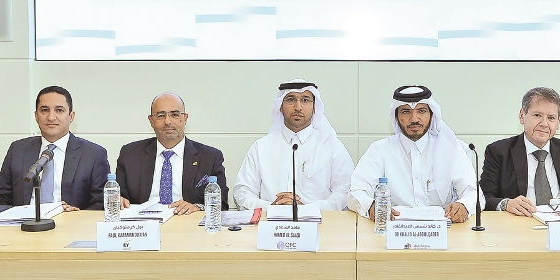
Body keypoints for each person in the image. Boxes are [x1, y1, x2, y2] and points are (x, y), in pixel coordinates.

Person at [348, 85, 477, 223]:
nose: (414, 118)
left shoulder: (451, 148)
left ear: (431, 115)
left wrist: (464, 205)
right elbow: (356, 192)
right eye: (406, 112)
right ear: (396, 117)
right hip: (394, 230)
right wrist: (372, 206)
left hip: (444, 231)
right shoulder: (380, 150)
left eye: (421, 111)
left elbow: (473, 192)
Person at [480, 87, 560, 216]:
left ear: (558, 122)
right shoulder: (499, 152)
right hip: (520, 222)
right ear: (522, 116)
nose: (544, 124)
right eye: (537, 115)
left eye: (551, 118)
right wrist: (506, 204)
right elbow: (483, 197)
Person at [233, 80, 353, 211]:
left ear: (314, 108)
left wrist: (304, 210)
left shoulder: (331, 146)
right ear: (280, 107)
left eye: (305, 100)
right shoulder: (261, 147)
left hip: (321, 222)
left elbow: (345, 192)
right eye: (291, 99)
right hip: (269, 221)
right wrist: (273, 208)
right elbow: (242, 192)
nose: (298, 107)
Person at [0, 85, 110, 210]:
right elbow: (1, 198)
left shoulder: (93, 154)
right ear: (36, 116)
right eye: (44, 110)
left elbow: (101, 203)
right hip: (24, 221)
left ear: (71, 116)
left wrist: (78, 216)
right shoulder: (18, 150)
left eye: (59, 110)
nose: (51, 117)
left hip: (70, 221)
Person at [116, 92, 228, 214]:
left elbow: (221, 204)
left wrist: (197, 207)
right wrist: (119, 201)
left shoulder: (210, 157)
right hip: (143, 222)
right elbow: (118, 197)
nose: (167, 121)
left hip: (187, 222)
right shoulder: (130, 154)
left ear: (185, 118)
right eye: (160, 115)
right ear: (151, 120)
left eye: (174, 114)